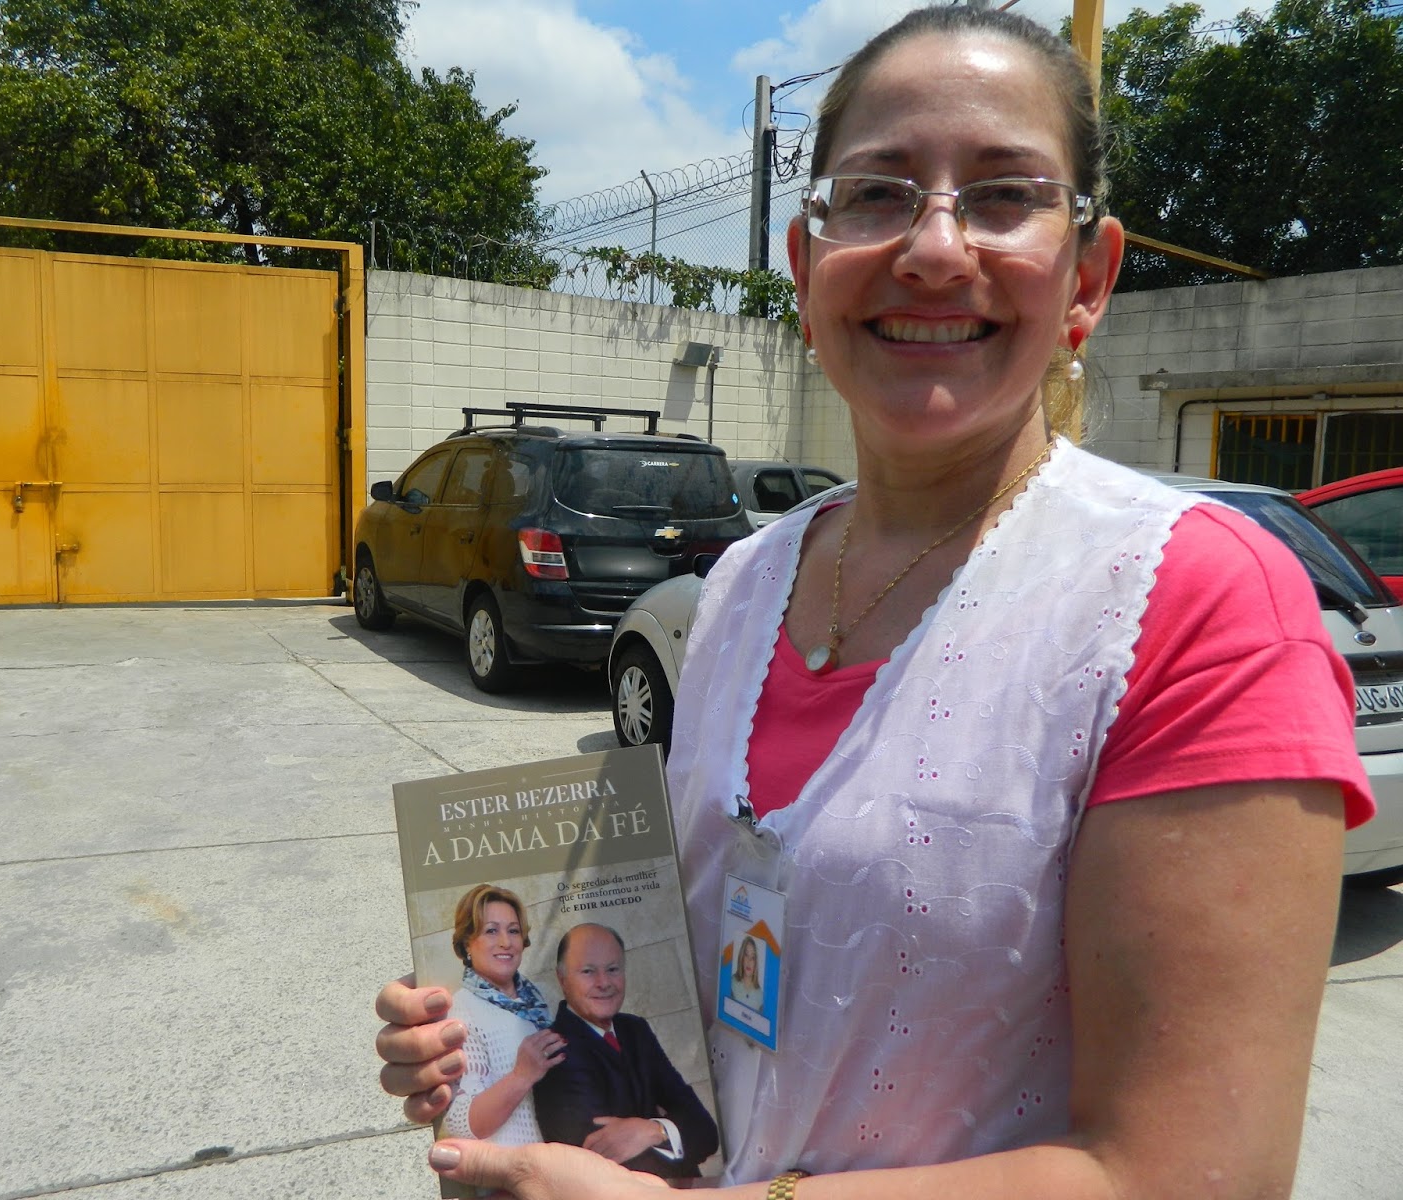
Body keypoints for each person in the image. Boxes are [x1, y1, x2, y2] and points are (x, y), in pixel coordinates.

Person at [377, 7, 1374, 1197]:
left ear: (1087, 278)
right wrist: (491, 1035)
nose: (935, 248)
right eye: (875, 194)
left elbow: (1190, 1177)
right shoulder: (744, 582)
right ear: (806, 270)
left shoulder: (1193, 599)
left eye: (1003, 195)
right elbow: (678, 985)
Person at [531, 923, 718, 1180]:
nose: (604, 983)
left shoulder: (635, 1029)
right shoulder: (556, 1051)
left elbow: (706, 1132)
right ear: (562, 979)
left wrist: (652, 1130)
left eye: (612, 969)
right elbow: (600, 1167)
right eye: (588, 971)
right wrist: (673, 1131)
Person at [439, 883, 567, 1146]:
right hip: (514, 1162)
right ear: (467, 942)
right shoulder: (461, 1010)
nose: (505, 942)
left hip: (564, 1158)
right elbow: (461, 1125)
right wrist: (522, 1075)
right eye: (491, 931)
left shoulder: (545, 997)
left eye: (513, 931)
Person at [729, 936, 763, 1011]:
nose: (749, 961)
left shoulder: (760, 996)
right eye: (746, 955)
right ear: (742, 957)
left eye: (753, 958)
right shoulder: (731, 982)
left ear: (755, 963)